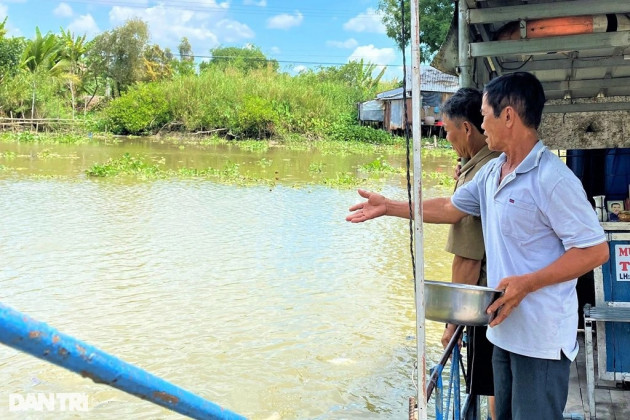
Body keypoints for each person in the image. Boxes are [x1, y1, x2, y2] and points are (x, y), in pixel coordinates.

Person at [346, 72, 609, 419]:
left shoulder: (553, 179)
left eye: (485, 115)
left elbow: (595, 251)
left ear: (509, 116)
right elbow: (450, 207)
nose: (482, 124)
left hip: (541, 340)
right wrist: (390, 207)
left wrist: (528, 283)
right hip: (502, 332)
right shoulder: (493, 171)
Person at [439, 88, 500, 420]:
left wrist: (452, 323)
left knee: (490, 386)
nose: (446, 137)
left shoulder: (481, 173)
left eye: (447, 130)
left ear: (466, 128)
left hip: (485, 303)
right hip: (501, 298)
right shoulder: (489, 164)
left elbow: (467, 258)